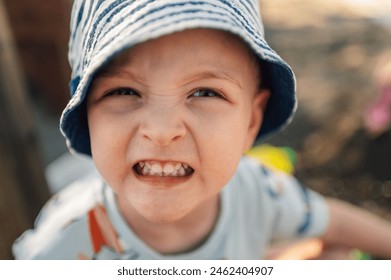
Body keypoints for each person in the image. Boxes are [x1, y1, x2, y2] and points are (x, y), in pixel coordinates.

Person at [13, 0, 391, 260]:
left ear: (251, 121)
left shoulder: (259, 191)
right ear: (86, 117)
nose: (162, 132)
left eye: (204, 92)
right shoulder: (64, 245)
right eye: (124, 91)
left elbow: (335, 221)